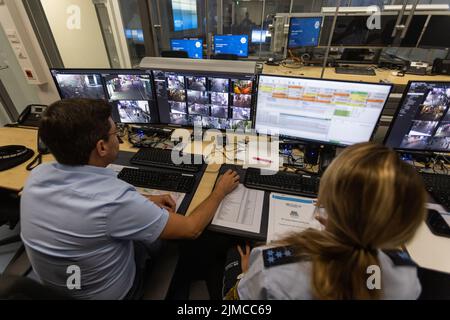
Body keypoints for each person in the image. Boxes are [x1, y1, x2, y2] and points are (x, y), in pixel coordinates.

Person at [20, 99, 240, 300]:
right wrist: (219, 190)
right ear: (101, 147)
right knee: (196, 240)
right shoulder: (114, 202)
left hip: (60, 288)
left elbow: (89, 204)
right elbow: (191, 228)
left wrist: (143, 200)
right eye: (116, 133)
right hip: (120, 294)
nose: (120, 138)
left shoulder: (37, 176)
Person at [224, 142, 427, 300]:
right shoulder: (407, 275)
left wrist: (247, 274)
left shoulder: (272, 268)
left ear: (325, 201)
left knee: (235, 251)